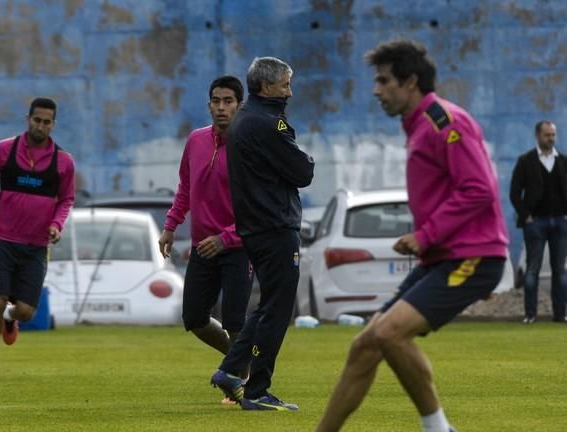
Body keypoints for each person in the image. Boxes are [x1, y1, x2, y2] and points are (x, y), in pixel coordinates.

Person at [316, 39, 509, 432]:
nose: (375, 90)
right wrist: (427, 239)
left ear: (411, 82)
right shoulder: (419, 125)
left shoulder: (444, 121)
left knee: (389, 333)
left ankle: (438, 429)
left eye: (383, 81)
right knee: (365, 345)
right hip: (443, 257)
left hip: (471, 256)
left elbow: (479, 190)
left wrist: (426, 234)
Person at [209, 56, 315, 411]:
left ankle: (230, 370)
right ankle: (257, 390)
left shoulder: (244, 120)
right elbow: (302, 171)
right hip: (275, 225)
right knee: (277, 309)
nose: (290, 91)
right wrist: (304, 160)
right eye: (285, 84)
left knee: (268, 304)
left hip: (255, 226)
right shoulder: (270, 123)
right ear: (265, 86)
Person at [158, 76, 254, 404]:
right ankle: (240, 363)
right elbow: (186, 187)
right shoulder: (196, 141)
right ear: (209, 104)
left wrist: (226, 238)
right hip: (203, 245)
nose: (221, 107)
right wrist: (171, 225)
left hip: (239, 246)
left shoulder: (251, 146)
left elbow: (258, 207)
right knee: (195, 319)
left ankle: (243, 378)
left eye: (228, 101)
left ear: (240, 105)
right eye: (216, 100)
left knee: (236, 321)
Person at [0, 97, 75, 381]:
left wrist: (56, 224)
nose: (41, 126)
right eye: (36, 120)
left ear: (53, 124)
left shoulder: (63, 161)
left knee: (26, 312)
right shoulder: (4, 149)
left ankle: (9, 319)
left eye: (46, 122)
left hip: (36, 246)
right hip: (2, 239)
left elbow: (66, 200)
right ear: (27, 119)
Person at [510, 120, 567, 323]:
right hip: (536, 224)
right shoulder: (525, 161)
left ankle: (560, 314)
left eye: (553, 135)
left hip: (560, 223)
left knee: (560, 270)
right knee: (532, 269)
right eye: (547, 135)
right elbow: (515, 193)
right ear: (537, 136)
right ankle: (530, 314)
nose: (551, 139)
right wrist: (526, 216)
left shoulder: (563, 161)